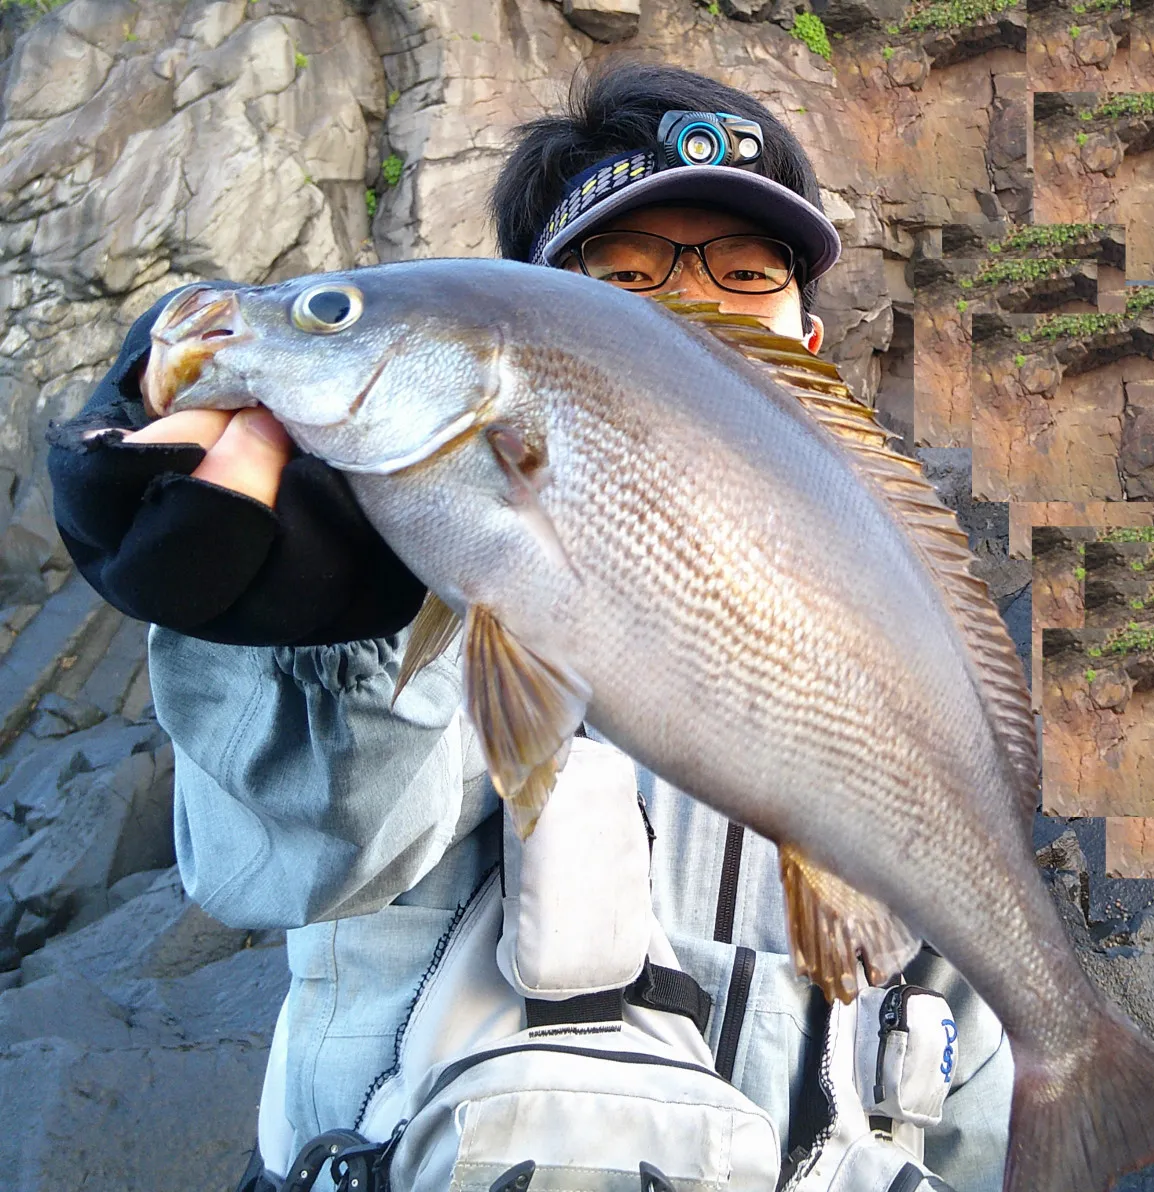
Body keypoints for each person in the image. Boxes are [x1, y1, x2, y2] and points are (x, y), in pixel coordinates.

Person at [47, 60, 1013, 1192]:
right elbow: (297, 851)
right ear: (534, 334)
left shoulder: (898, 667)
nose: (691, 306)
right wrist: (317, 631)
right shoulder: (406, 580)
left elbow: (975, 1101)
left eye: (748, 273)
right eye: (621, 277)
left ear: (806, 347)